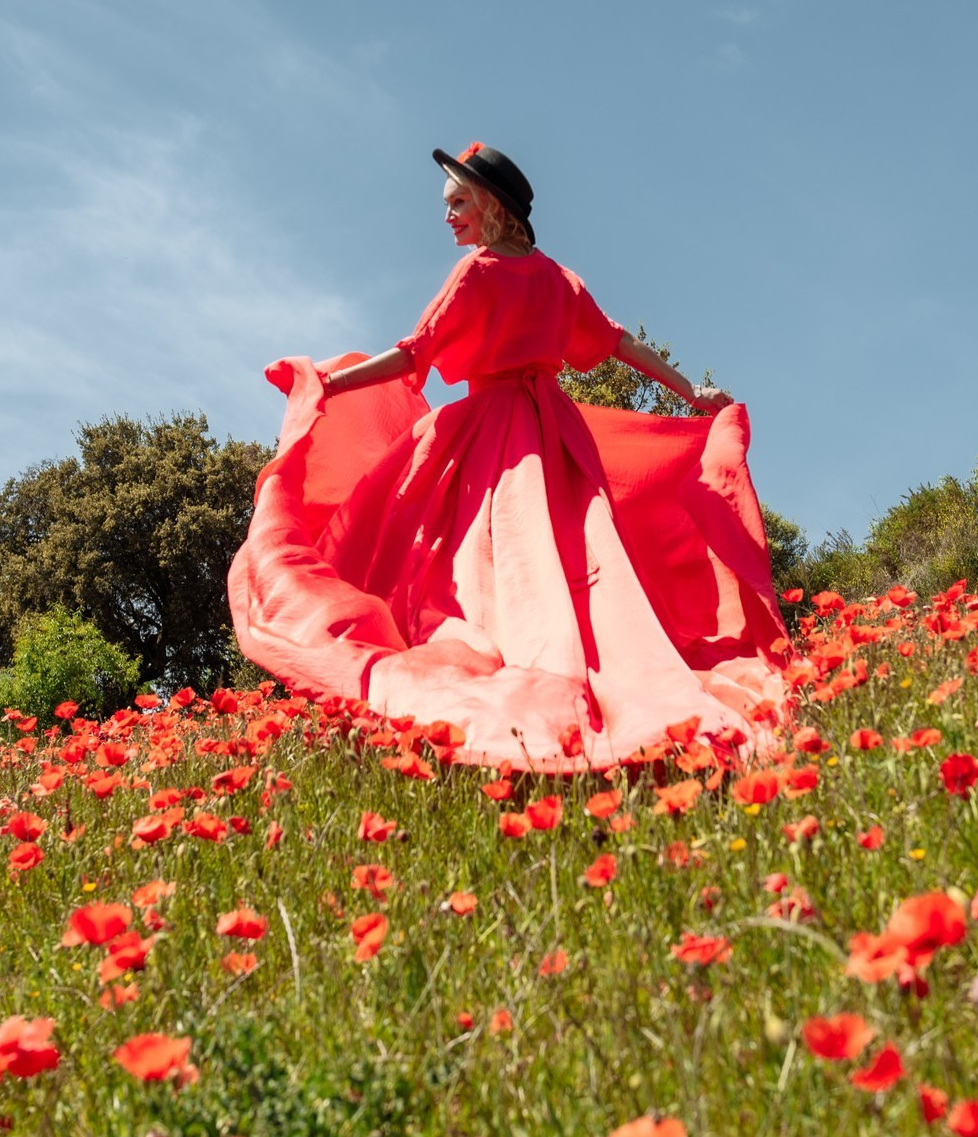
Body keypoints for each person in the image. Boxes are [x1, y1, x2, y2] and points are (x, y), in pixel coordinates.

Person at [226, 142, 789, 771]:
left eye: (459, 202)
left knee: (477, 563)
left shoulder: (479, 273)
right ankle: (578, 667)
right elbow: (618, 342)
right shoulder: (558, 278)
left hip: (494, 431)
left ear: (491, 204)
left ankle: (525, 677)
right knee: (570, 561)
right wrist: (690, 390)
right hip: (557, 435)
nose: (449, 217)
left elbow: (415, 354)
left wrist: (331, 385)